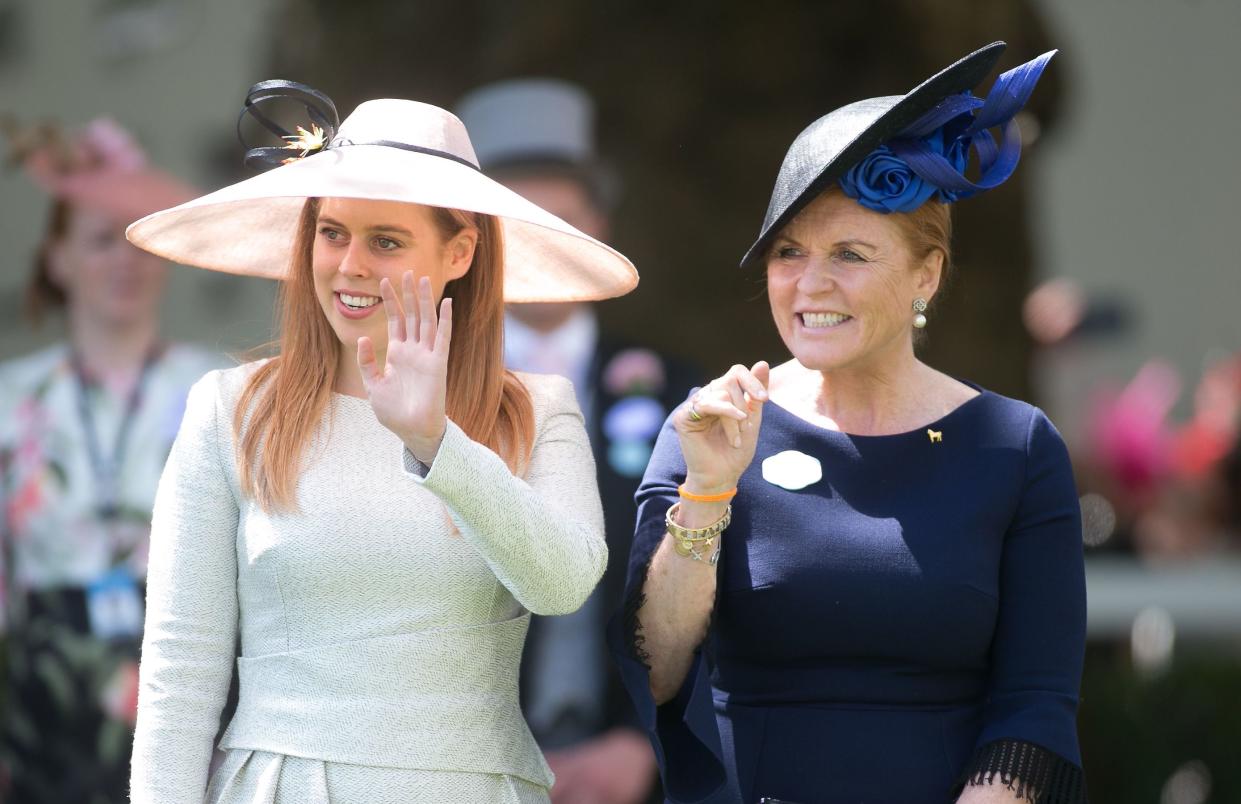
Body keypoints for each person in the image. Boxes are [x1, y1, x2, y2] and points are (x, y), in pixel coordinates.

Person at [125, 81, 637, 803]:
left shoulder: (535, 408)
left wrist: (436, 443)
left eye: (386, 241)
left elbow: (562, 585)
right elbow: (181, 667)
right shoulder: (231, 408)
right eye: (332, 233)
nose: (350, 265)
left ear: (459, 251)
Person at [614, 43, 1088, 803]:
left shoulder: (1016, 446)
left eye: (850, 254)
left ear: (924, 276)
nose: (810, 283)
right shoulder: (709, 426)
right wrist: (705, 493)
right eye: (788, 251)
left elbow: (1035, 703)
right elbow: (658, 673)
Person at [457, 78, 698, 803]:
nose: (545, 246)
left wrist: (645, 739)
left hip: (629, 768)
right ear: (473, 237)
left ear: (598, 225)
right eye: (520, 222)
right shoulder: (421, 390)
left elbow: (713, 580)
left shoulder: (674, 394)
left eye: (564, 219)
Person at [0, 118, 219, 803]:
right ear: (57, 258)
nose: (126, 262)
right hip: (45, 701)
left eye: (140, 241)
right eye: (101, 241)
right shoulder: (11, 397)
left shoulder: (218, 390)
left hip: (185, 685)